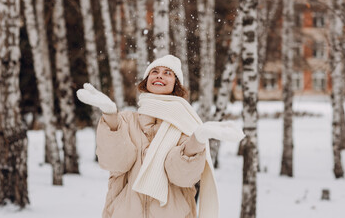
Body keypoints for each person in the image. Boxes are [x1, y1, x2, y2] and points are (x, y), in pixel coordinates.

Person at [77, 54, 245, 218]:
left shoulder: (185, 125)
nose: (159, 75)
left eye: (168, 73)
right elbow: (116, 162)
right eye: (154, 71)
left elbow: (182, 177)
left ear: (176, 84)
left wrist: (198, 138)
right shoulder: (125, 120)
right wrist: (110, 114)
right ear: (146, 79)